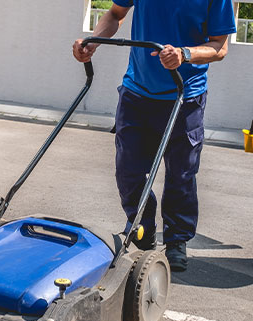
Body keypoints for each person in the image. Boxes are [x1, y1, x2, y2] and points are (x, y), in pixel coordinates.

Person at [72, 1, 236, 271]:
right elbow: (115, 14)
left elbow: (220, 46)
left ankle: (176, 241)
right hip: (137, 91)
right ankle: (141, 224)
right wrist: (94, 41)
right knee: (128, 170)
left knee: (181, 174)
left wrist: (185, 54)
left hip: (185, 94)